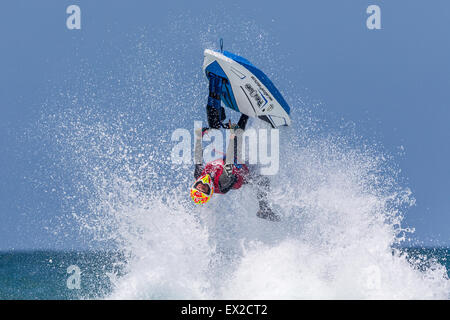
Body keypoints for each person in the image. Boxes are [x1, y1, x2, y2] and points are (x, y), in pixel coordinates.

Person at [190, 104, 280, 222]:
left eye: (199, 187)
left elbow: (198, 158)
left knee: (235, 140)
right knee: (262, 181)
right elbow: (230, 161)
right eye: (204, 189)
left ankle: (247, 110)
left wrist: (199, 137)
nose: (202, 185)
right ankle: (265, 210)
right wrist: (233, 134)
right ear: (210, 191)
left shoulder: (198, 175)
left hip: (228, 163)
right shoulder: (222, 183)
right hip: (241, 174)